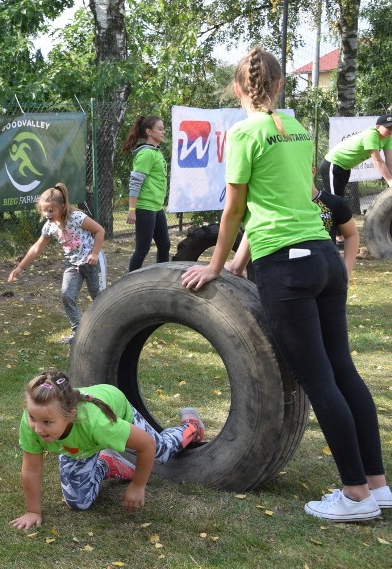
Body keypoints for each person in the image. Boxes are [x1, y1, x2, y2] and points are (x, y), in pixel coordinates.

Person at [181, 48, 389, 522]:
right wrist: (236, 262)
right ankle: (377, 486)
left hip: (288, 267)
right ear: (277, 86)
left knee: (319, 380)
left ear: (239, 88)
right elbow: (287, 203)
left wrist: (214, 265)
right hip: (324, 257)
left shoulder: (242, 133)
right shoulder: (294, 129)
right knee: (343, 371)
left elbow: (235, 210)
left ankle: (355, 495)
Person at [10, 369, 204, 530]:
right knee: (79, 502)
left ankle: (192, 427)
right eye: (32, 418)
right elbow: (32, 469)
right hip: (81, 445)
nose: (37, 428)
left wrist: (138, 485)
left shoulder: (98, 423)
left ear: (70, 415)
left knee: (161, 453)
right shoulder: (33, 423)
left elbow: (147, 445)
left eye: (47, 422)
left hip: (113, 409)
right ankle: (107, 463)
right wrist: (33, 511)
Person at [7, 183, 105, 344]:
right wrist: (19, 267)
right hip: (73, 265)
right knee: (67, 295)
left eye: (51, 210)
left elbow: (100, 230)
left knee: (99, 298)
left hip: (92, 262)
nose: (47, 213)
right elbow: (36, 248)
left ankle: (108, 330)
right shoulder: (50, 227)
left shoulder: (77, 218)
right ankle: (78, 333)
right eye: (44, 210)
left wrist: (94, 253)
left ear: (63, 206)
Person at [227, 185, 360, 280]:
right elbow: (256, 226)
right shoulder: (279, 204)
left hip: (325, 271)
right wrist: (236, 266)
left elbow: (351, 234)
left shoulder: (334, 203)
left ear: (312, 171)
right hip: (289, 274)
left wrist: (346, 270)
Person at [121, 115, 171, 272]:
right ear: (149, 132)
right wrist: (132, 210)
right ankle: (129, 283)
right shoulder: (146, 154)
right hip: (145, 207)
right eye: (160, 129)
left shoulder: (156, 152)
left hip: (156, 207)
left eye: (164, 129)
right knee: (142, 249)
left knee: (165, 245)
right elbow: (135, 183)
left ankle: (162, 278)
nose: (163, 132)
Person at [318, 114, 392, 198]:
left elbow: (390, 162)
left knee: (337, 199)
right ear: (377, 126)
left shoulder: (388, 138)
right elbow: (378, 161)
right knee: (335, 200)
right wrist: (389, 181)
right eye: (388, 127)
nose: (391, 130)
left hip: (345, 167)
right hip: (333, 163)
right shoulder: (371, 135)